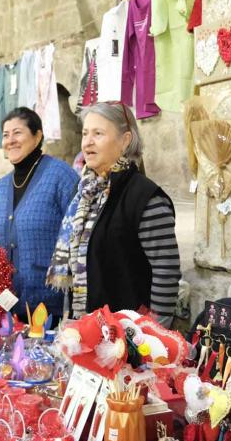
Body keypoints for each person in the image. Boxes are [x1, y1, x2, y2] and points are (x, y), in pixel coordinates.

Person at [47, 101, 180, 326]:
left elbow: (165, 270)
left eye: (98, 134)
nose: (87, 142)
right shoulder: (82, 195)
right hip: (87, 330)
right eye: (85, 134)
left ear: (125, 140)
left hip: (129, 337)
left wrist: (153, 333)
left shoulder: (145, 197)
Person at [0, 108, 79, 319]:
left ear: (38, 136)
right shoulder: (4, 185)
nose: (10, 140)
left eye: (17, 133)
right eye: (5, 135)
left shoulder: (61, 175)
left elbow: (79, 234)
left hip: (50, 305)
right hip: (9, 305)